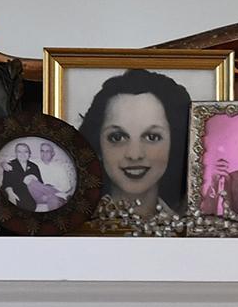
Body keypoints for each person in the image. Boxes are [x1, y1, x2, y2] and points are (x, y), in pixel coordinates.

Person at [80, 68, 191, 219]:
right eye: (117, 137)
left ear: (174, 144)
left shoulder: (193, 226)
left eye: (152, 137)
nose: (134, 155)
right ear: (97, 146)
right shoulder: (76, 225)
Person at [0, 140, 45, 211]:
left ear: (29, 154)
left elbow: (41, 182)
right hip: (10, 189)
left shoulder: (34, 166)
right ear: (16, 153)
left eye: (26, 152)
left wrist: (34, 179)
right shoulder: (9, 165)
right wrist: (10, 193)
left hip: (27, 191)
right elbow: (6, 183)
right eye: (19, 152)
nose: (22, 154)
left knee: (30, 206)